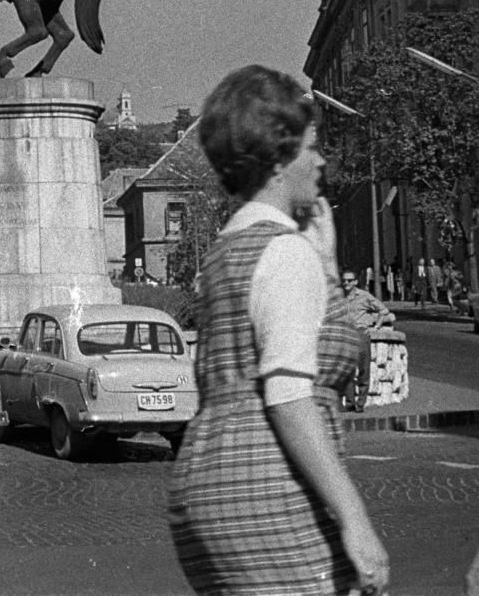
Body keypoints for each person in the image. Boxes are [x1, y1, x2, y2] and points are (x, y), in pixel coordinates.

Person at [167, 65, 389, 596]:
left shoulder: (226, 249)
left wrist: (327, 264)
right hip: (271, 484)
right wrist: (355, 519)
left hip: (205, 487)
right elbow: (288, 398)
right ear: (278, 158)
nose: (322, 160)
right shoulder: (284, 253)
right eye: (311, 147)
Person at [341, 271, 393, 413]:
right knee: (348, 371)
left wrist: (376, 327)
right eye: (344, 281)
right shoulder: (341, 297)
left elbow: (383, 311)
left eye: (350, 280)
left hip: (361, 333)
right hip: (346, 335)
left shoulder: (364, 296)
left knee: (364, 369)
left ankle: (360, 403)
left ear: (355, 282)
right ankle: (350, 403)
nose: (346, 283)